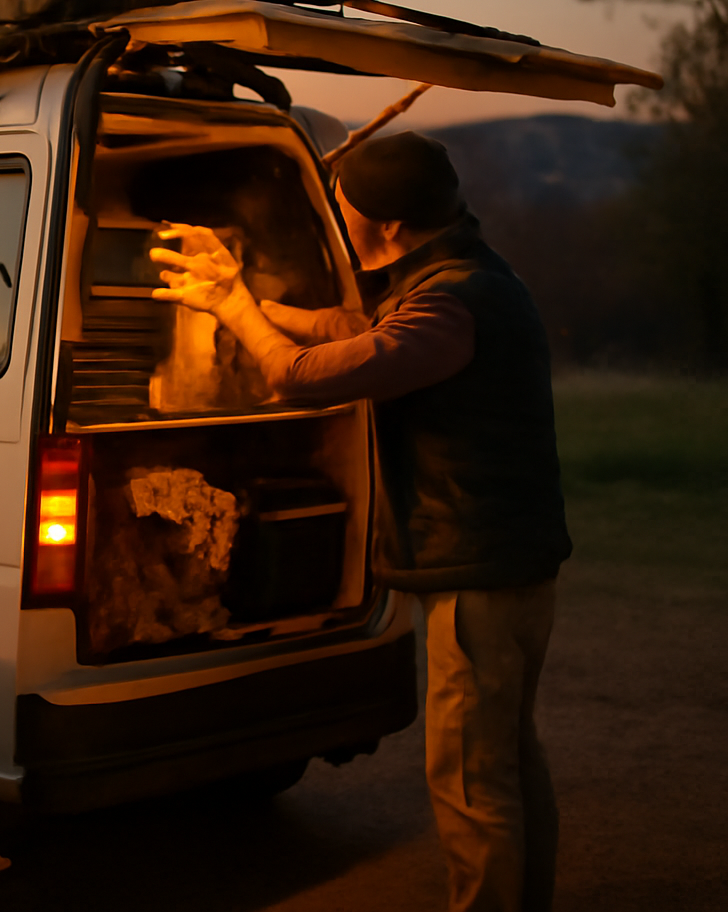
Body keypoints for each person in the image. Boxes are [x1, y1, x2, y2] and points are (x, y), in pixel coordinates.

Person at [152, 131, 571, 912]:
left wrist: (238, 310)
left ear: (387, 224)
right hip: (506, 566)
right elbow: (355, 330)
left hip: (478, 574)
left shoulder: (451, 305)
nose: (337, 219)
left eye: (343, 207)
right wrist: (244, 296)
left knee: (473, 780)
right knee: (508, 761)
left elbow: (302, 374)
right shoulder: (461, 277)